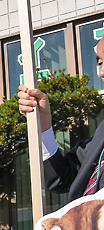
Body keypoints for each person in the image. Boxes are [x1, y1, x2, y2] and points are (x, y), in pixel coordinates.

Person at [18, 38, 104, 200]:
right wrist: (43, 125)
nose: (101, 72)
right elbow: (61, 178)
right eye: (100, 63)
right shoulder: (101, 136)